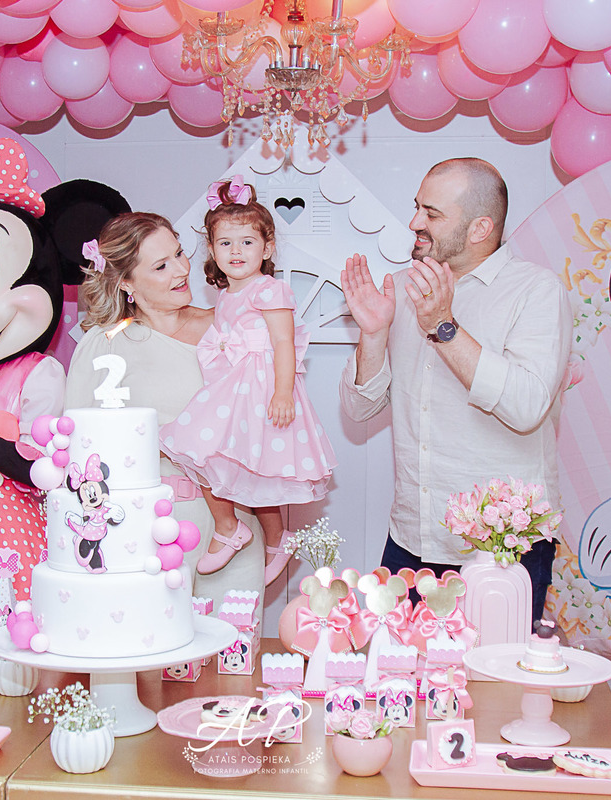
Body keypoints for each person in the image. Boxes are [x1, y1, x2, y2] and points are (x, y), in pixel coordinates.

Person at [339, 158, 572, 624]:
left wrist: (443, 325)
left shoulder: (536, 290)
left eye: (432, 213)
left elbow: (527, 406)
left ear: (480, 228)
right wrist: (373, 334)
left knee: (497, 671)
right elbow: (358, 408)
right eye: (417, 207)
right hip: (411, 538)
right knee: (399, 667)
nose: (414, 222)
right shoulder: (402, 288)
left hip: (503, 549)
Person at [65, 211, 266, 601]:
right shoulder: (105, 345)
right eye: (161, 266)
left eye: (179, 253)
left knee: (235, 641)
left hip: (234, 530)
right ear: (126, 282)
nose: (181, 270)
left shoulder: (230, 326)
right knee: (152, 640)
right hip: (146, 535)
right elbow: (80, 451)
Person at [160, 177, 336, 584]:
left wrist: (283, 392)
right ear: (212, 249)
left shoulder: (270, 289)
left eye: (247, 242)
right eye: (225, 243)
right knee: (219, 460)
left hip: (261, 390)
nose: (235, 251)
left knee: (241, 464)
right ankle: (253, 533)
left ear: (267, 248)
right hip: (233, 389)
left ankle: (252, 534)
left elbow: (284, 342)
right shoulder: (226, 295)